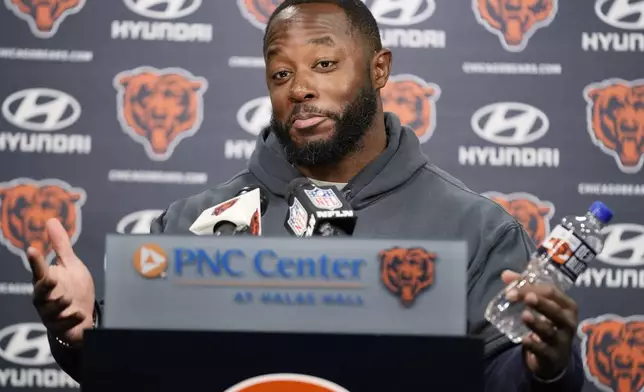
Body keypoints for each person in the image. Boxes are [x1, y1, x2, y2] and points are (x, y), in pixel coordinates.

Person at [28, 0, 584, 390]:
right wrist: (83, 338)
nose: (300, 88)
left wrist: (546, 368)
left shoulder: (478, 230)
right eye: (280, 73)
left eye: (324, 64)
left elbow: (495, 379)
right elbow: (140, 373)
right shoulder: (192, 222)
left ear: (379, 69)